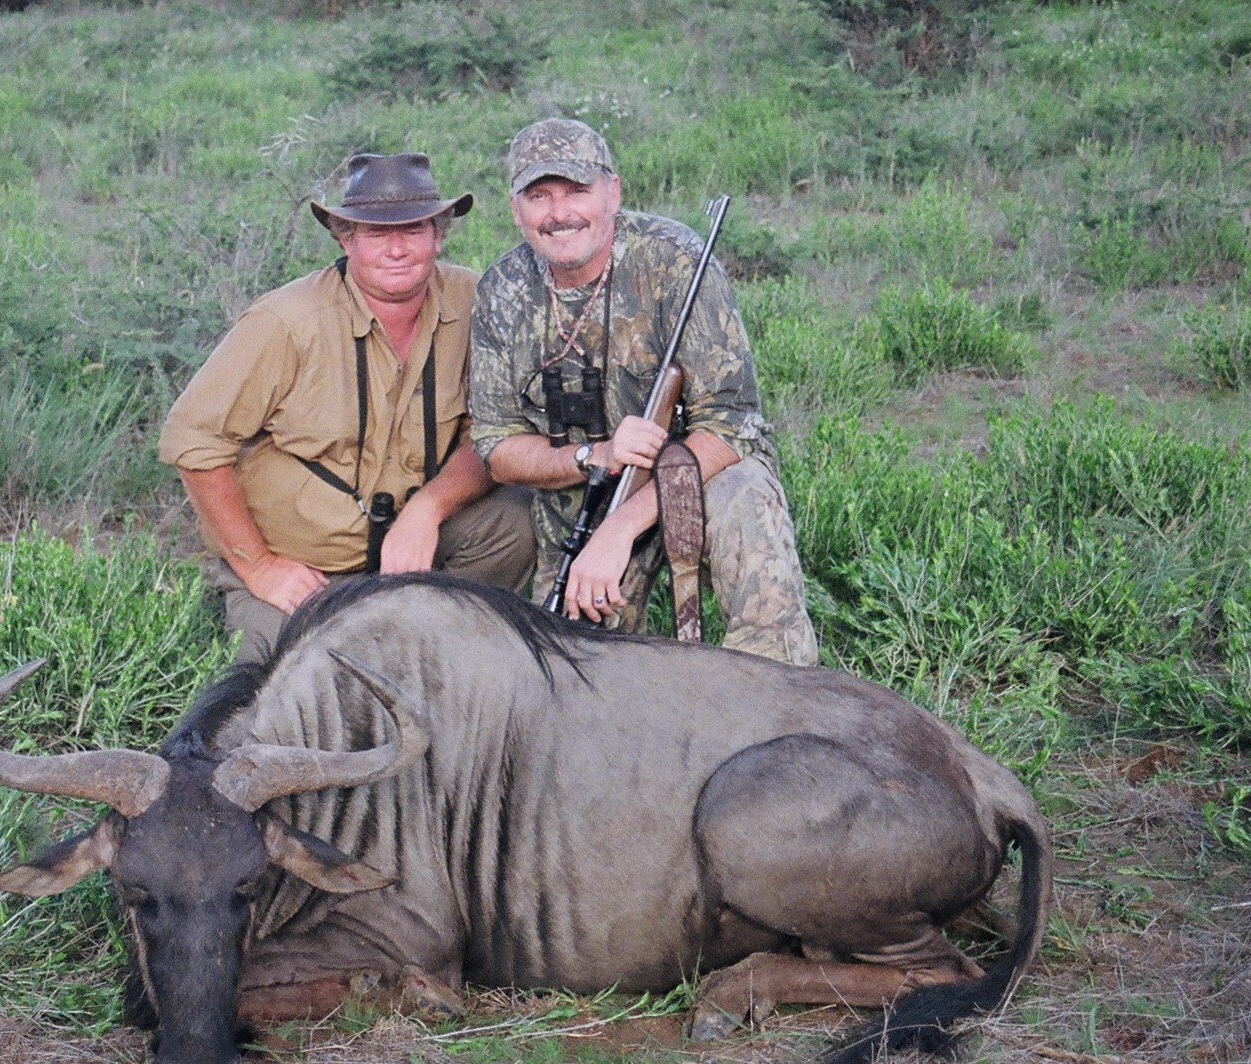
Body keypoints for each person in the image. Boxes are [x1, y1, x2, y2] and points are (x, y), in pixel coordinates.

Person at [160, 152, 535, 662]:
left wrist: (428, 510)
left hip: (412, 548)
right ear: (345, 238)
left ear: (439, 235)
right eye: (378, 234)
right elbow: (193, 441)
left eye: (415, 229)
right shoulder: (285, 321)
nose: (398, 249)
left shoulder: (473, 299)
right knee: (278, 681)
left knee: (516, 524)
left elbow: (488, 428)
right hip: (304, 566)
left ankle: (442, 653)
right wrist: (262, 566)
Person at [469, 118, 819, 665]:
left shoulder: (677, 261)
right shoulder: (502, 290)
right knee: (568, 667)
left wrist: (620, 530)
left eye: (578, 191)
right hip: (582, 497)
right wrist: (597, 457)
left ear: (614, 193)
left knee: (748, 502)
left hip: (701, 477)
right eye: (540, 196)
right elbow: (498, 449)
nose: (560, 214)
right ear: (516, 209)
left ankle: (777, 700)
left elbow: (733, 425)